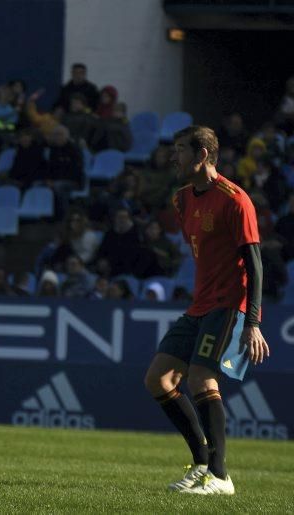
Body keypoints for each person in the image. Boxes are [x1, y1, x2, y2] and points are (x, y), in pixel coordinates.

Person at [143, 126, 269, 495]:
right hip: (199, 304)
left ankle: (220, 475)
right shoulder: (181, 200)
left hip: (231, 303)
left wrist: (253, 321)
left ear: (202, 155)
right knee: (158, 379)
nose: (174, 156)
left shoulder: (235, 199)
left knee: (201, 378)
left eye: (181, 150)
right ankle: (201, 461)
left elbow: (255, 263)